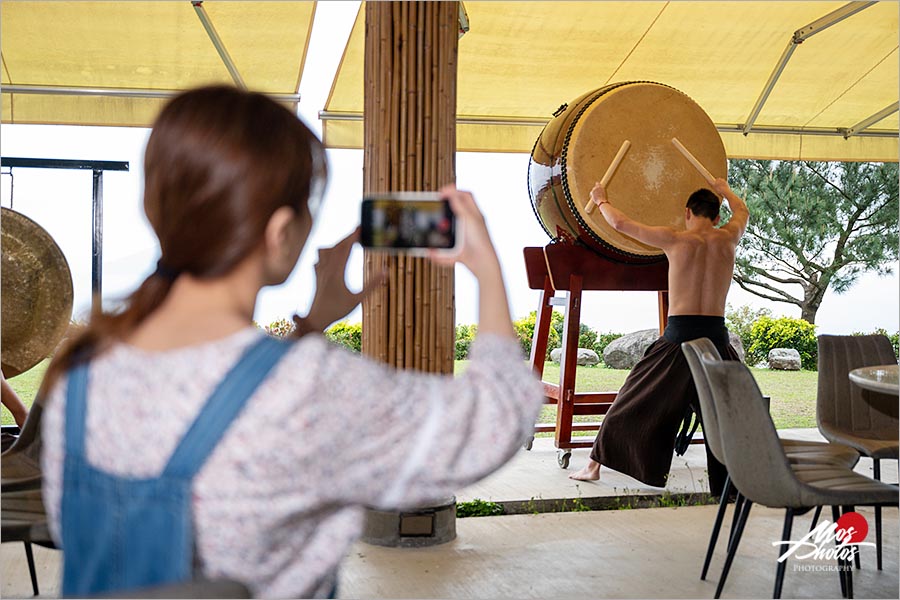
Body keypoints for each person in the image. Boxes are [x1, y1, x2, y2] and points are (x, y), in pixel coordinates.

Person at [40, 86, 544, 598]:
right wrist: (485, 268)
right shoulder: (307, 388)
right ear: (281, 230)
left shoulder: (81, 373)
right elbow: (494, 420)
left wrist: (311, 325)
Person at [569, 178, 749, 497]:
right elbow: (743, 210)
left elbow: (621, 223)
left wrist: (600, 199)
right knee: (730, 414)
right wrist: (724, 188)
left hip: (678, 339)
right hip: (717, 342)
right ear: (717, 216)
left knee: (631, 400)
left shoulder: (675, 239)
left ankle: (593, 466)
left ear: (687, 213)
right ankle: (732, 486)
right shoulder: (729, 238)